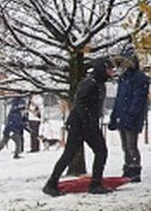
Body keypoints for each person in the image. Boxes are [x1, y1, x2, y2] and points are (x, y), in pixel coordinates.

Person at [43, 58, 116, 196]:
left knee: (95, 152)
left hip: (87, 123)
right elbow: (80, 103)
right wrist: (88, 121)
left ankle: (54, 183)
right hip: (81, 124)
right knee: (79, 153)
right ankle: (92, 184)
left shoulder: (99, 83)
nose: (112, 72)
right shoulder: (90, 83)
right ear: (103, 69)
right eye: (109, 69)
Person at [109, 46, 148, 182]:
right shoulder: (123, 79)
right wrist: (114, 116)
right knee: (125, 146)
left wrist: (132, 114)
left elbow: (139, 99)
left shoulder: (139, 78)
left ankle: (135, 170)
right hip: (122, 116)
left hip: (131, 117)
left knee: (132, 146)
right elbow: (119, 99)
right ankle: (127, 168)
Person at [0, 97, 26, 161]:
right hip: (12, 130)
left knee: (3, 142)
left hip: (8, 130)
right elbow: (15, 124)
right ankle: (16, 154)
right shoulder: (16, 114)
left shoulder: (13, 113)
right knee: (18, 141)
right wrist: (20, 126)